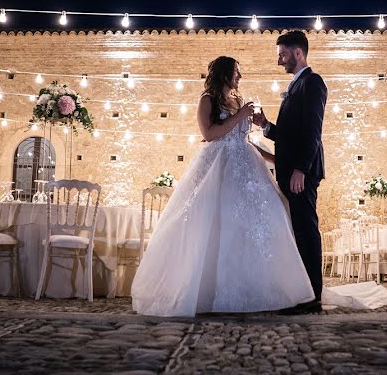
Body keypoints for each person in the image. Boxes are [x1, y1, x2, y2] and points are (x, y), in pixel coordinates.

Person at [131, 56, 316, 317]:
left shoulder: (238, 100)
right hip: (218, 165)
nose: (239, 77)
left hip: (248, 166)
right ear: (224, 74)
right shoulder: (207, 100)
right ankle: (210, 291)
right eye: (236, 72)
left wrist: (274, 158)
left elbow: (246, 139)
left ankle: (257, 289)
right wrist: (239, 116)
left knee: (263, 221)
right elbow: (209, 134)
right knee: (216, 223)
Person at [253, 30, 327, 315]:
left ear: (298, 53)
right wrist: (266, 126)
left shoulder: (312, 82)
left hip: (301, 172)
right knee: (299, 230)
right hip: (293, 169)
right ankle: (303, 292)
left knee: (307, 231)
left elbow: (312, 131)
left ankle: (313, 297)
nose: (279, 61)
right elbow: (289, 134)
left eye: (282, 55)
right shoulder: (296, 86)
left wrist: (300, 170)